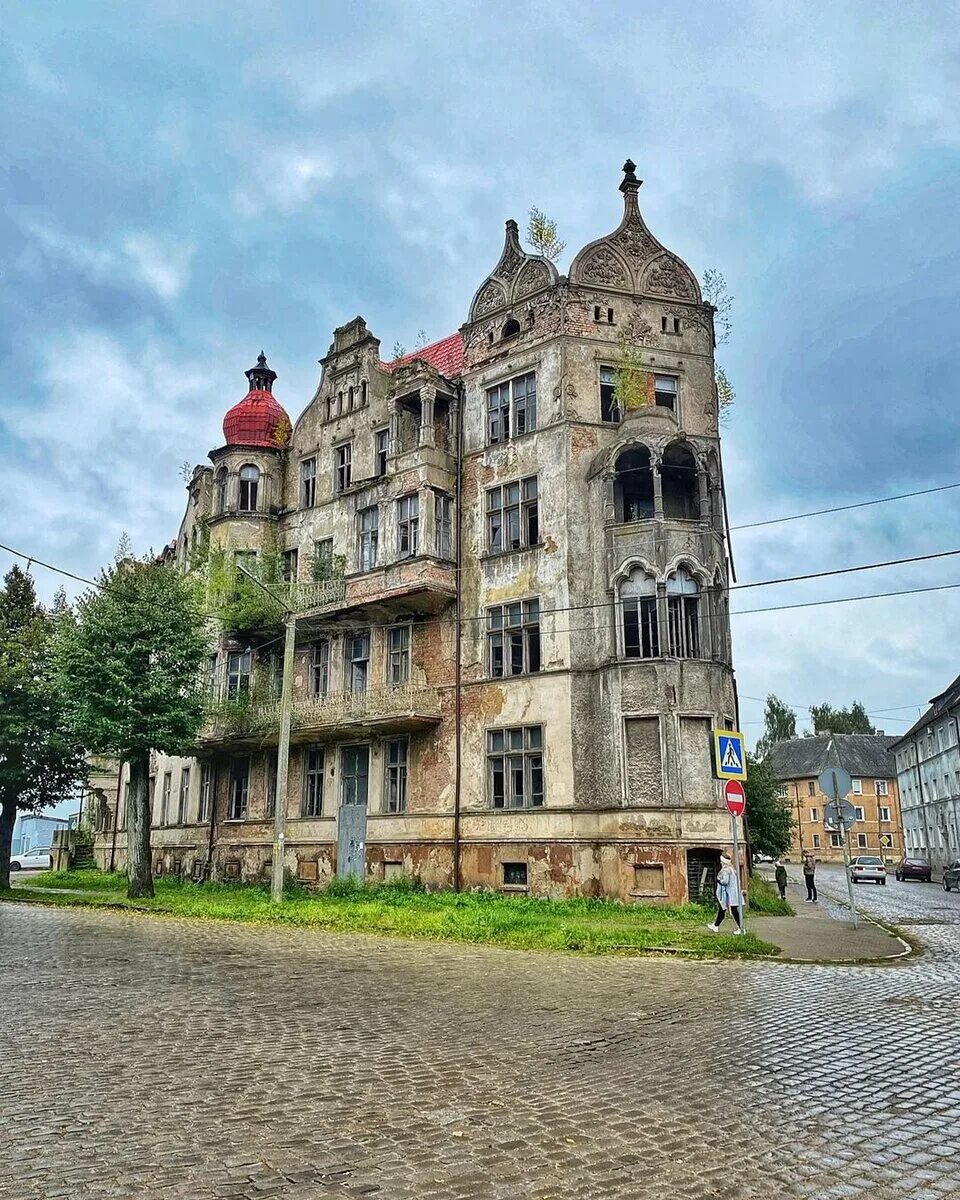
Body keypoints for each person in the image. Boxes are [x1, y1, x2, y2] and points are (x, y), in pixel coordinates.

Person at [707, 853, 744, 935]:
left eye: (721, 861)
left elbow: (725, 882)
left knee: (733, 911)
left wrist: (719, 880)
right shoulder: (732, 870)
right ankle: (716, 926)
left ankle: (741, 928)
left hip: (728, 894)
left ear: (723, 862)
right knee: (722, 909)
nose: (720, 863)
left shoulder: (725, 870)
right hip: (733, 893)